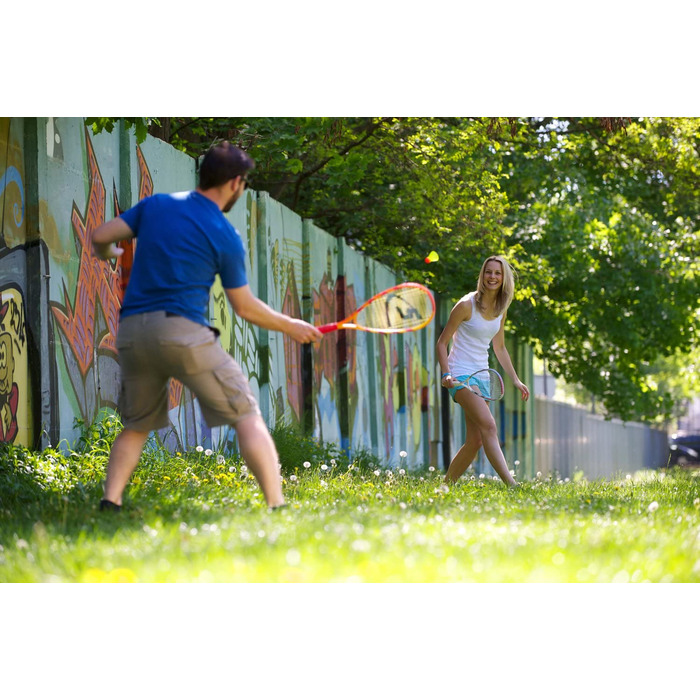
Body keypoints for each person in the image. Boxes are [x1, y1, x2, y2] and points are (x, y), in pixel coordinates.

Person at [91, 141, 322, 511]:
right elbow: (244, 307)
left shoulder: (157, 205)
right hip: (184, 333)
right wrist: (291, 325)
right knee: (245, 414)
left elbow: (101, 237)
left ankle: (110, 501)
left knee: (135, 424)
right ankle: (277, 505)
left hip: (133, 333)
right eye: (243, 183)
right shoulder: (224, 234)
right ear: (234, 183)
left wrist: (109, 254)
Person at [436, 255, 529, 486]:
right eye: (488, 272)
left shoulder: (501, 309)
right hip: (460, 375)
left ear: (504, 277)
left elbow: (499, 347)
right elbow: (441, 343)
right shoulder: (466, 305)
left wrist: (516, 380)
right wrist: (446, 373)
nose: (492, 277)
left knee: (475, 440)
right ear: (482, 275)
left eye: (497, 273)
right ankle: (512, 485)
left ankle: (445, 487)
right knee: (489, 426)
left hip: (482, 376)